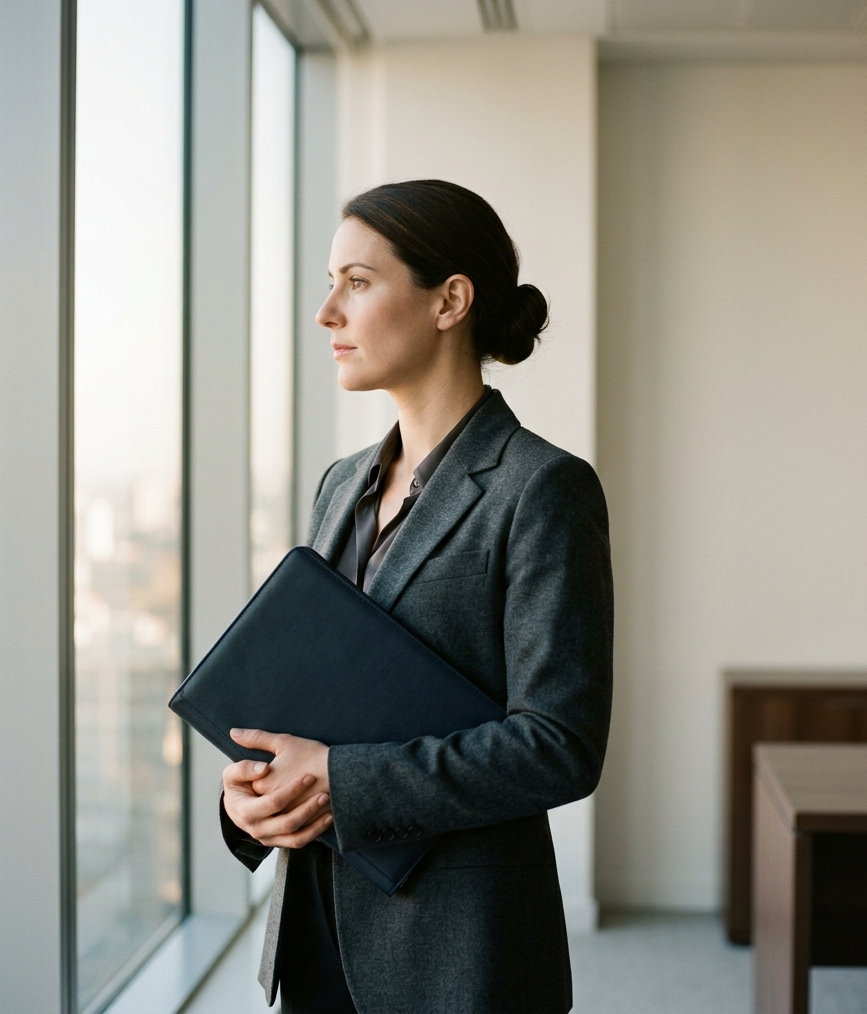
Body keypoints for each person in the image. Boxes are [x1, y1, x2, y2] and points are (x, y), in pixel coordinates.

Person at [219, 180, 613, 1014]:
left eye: (357, 283)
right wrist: (254, 796)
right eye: (331, 283)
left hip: (456, 944)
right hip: (314, 924)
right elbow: (319, 693)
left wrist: (341, 781)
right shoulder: (340, 485)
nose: (328, 312)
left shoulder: (542, 489)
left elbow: (559, 744)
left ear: (450, 301)